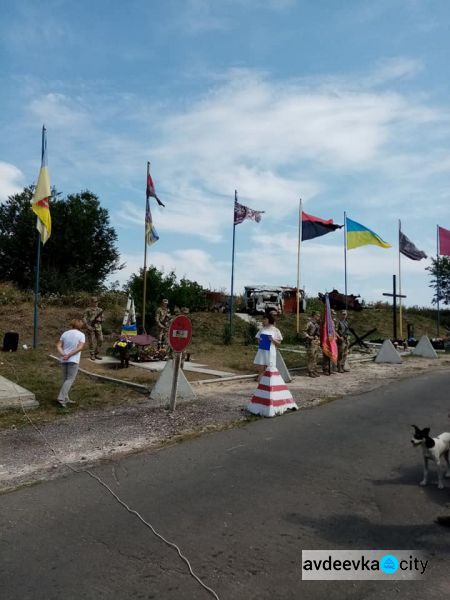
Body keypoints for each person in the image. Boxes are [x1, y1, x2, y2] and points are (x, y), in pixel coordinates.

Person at [56, 319, 85, 408]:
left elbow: (58, 346)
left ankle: (66, 397)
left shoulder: (65, 333)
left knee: (65, 379)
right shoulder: (81, 335)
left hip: (64, 359)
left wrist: (64, 354)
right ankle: (61, 398)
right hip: (73, 359)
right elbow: (80, 348)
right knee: (70, 379)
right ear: (80, 326)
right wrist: (69, 355)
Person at [83, 296, 104, 361]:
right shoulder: (88, 310)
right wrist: (87, 325)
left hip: (98, 327)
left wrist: (100, 320)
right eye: (94, 302)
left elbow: (103, 318)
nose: (96, 303)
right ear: (91, 302)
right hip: (90, 327)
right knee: (91, 341)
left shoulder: (100, 310)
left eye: (97, 302)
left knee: (100, 340)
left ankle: (96, 353)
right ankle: (92, 354)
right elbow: (84, 318)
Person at [304, 311, 321, 377]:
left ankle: (314, 370)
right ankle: (310, 371)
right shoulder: (309, 323)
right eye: (317, 315)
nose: (318, 317)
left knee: (315, 357)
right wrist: (308, 336)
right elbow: (303, 331)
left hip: (316, 342)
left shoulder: (316, 324)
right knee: (311, 357)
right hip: (310, 342)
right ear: (314, 316)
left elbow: (318, 333)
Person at [322, 309, 338, 375]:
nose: (334, 315)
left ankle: (330, 369)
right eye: (332, 314)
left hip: (332, 340)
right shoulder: (326, 321)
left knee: (331, 354)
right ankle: (325, 369)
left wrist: (335, 337)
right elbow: (324, 331)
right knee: (326, 355)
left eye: (334, 314)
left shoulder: (332, 321)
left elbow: (334, 330)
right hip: (326, 340)